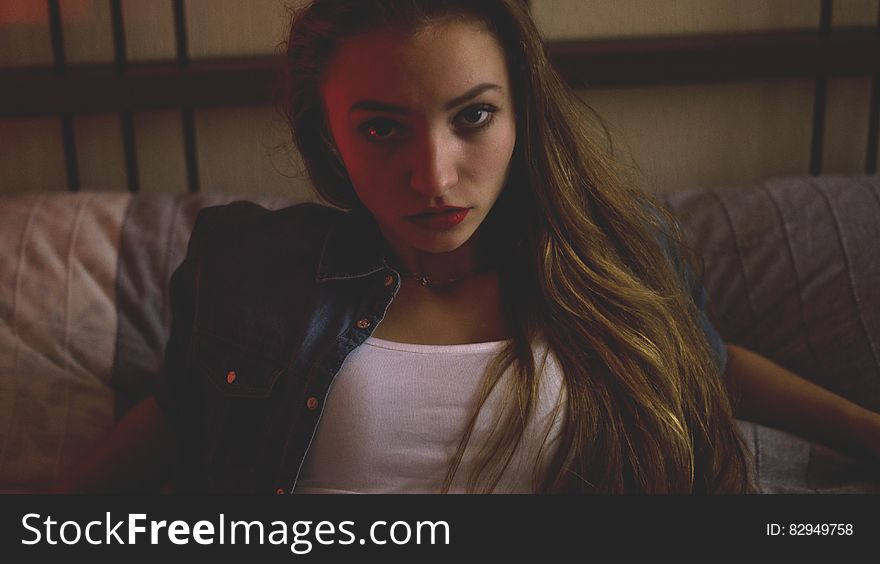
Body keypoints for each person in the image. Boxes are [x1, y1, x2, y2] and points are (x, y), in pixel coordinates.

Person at [54, 0, 880, 494]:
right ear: (329, 138)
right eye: (381, 128)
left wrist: (866, 430)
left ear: (522, 112)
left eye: (473, 116)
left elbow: (708, 362)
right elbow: (165, 422)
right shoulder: (252, 266)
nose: (433, 176)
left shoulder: (612, 260)